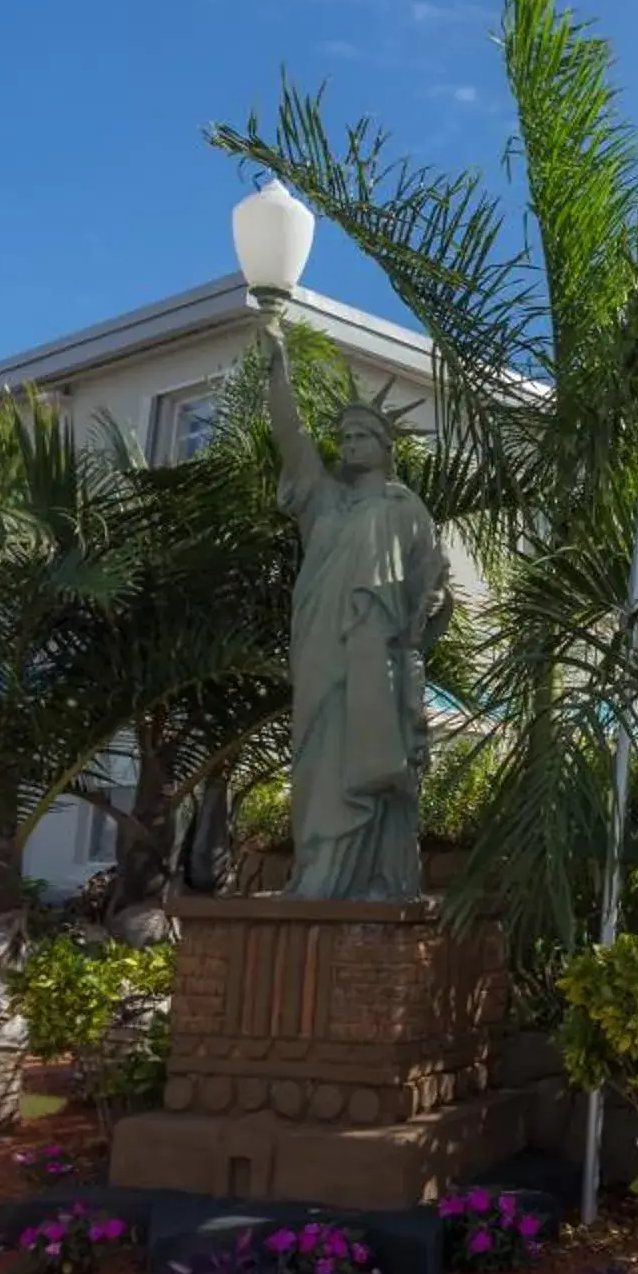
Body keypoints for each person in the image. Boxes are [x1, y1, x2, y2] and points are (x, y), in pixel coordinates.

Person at [259, 326, 447, 901]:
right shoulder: (323, 501)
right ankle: (317, 871)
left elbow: (431, 581)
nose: (351, 444)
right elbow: (291, 437)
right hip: (320, 646)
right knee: (317, 758)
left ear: (387, 446)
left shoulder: (404, 507)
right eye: (344, 437)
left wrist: (429, 609)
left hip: (376, 652)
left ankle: (376, 877)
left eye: (363, 435)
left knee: (373, 758)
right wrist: (277, 368)